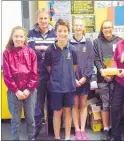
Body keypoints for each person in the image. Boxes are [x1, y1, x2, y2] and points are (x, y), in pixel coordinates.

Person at [44, 19, 77, 141]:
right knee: (57, 112)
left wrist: (67, 77)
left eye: (65, 31)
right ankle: (57, 137)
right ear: (55, 32)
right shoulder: (49, 50)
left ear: (68, 32)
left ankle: (68, 136)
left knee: (68, 111)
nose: (62, 33)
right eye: (60, 31)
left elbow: (74, 67)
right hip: (55, 87)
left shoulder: (73, 50)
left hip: (69, 86)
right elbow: (49, 68)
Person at [3, 26, 38, 140]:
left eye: (21, 36)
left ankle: (31, 137)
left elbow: (34, 73)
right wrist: (16, 90)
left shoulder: (31, 52)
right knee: (15, 120)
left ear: (25, 38)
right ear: (12, 38)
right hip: (14, 92)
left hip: (30, 91)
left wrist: (28, 89)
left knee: (30, 118)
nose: (19, 38)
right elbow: (7, 75)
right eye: (16, 36)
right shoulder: (7, 53)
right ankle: (15, 138)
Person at [27, 8, 56, 136]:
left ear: (49, 18)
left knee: (52, 101)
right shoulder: (31, 33)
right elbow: (30, 50)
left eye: (45, 18)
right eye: (41, 18)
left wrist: (41, 49)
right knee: (38, 102)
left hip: (53, 73)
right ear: (37, 19)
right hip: (37, 73)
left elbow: (56, 50)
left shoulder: (54, 33)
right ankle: (36, 130)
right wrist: (46, 48)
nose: (43, 21)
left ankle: (51, 130)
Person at [93, 20, 121, 140]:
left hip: (117, 79)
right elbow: (96, 59)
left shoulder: (119, 41)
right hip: (102, 78)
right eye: (105, 27)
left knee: (115, 105)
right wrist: (103, 72)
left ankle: (115, 128)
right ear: (101, 29)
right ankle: (105, 128)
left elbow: (121, 59)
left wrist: (113, 74)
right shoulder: (96, 42)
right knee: (105, 104)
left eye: (109, 27)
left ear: (112, 28)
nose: (107, 29)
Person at [70, 17, 93, 140]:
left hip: (84, 80)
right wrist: (73, 78)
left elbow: (90, 62)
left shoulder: (88, 43)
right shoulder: (68, 43)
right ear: (73, 27)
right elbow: (67, 63)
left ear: (83, 28)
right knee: (74, 104)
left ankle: (82, 129)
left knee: (83, 104)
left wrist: (85, 77)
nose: (78, 27)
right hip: (72, 81)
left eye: (80, 25)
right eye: (76, 25)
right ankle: (77, 129)